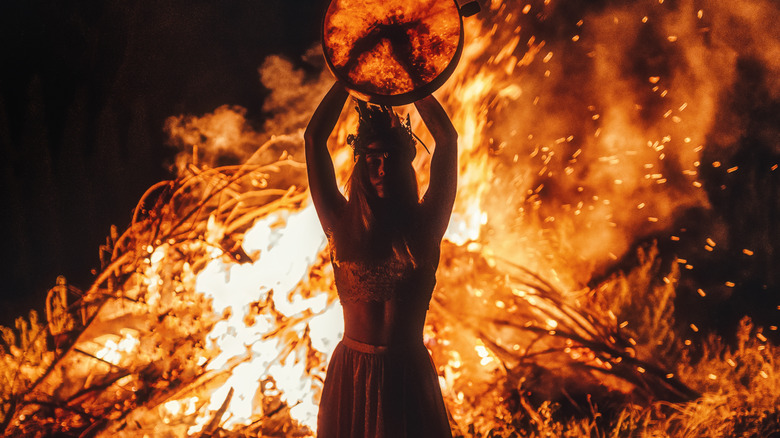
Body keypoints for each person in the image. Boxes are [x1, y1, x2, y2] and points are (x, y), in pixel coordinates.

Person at [304, 81, 458, 438]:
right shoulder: (340, 226)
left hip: (408, 374)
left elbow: (446, 141)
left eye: (391, 160)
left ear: (407, 169)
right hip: (352, 374)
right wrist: (348, 78)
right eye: (373, 161)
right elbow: (314, 139)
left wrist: (413, 83)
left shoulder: (425, 225)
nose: (383, 169)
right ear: (360, 168)